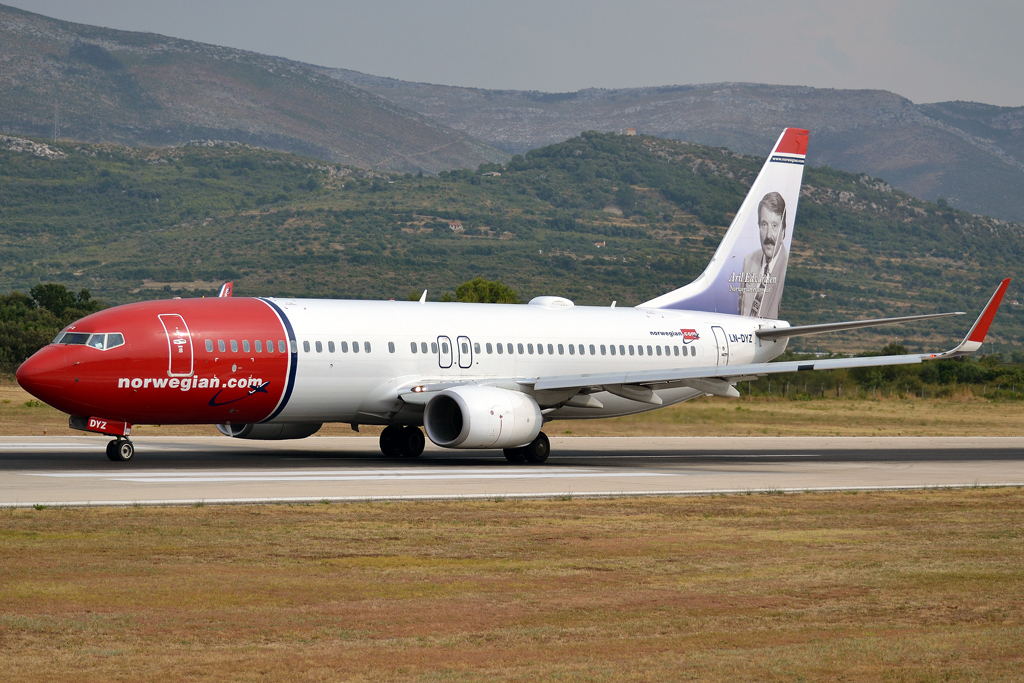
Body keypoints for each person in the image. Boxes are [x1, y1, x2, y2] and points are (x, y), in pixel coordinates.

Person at [737, 191, 789, 318]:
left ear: (783, 231)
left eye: (775, 226)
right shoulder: (748, 261)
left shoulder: (787, 267)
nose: (768, 235)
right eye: (764, 225)